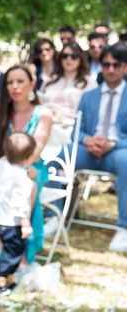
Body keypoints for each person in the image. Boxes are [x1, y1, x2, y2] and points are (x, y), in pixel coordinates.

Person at [0, 64, 53, 265]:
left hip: (31, 165)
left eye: (20, 81)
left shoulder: (43, 114)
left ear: (32, 84)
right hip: (1, 166)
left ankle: (19, 246)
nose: (15, 86)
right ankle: (4, 236)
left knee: (29, 182)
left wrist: (15, 169)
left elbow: (35, 151)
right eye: (10, 82)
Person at [75, 43, 127, 252]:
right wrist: (87, 140)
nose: (111, 69)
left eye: (116, 64)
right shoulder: (88, 96)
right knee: (59, 154)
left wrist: (113, 143)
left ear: (125, 67)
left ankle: (124, 227)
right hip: (89, 150)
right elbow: (75, 131)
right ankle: (55, 215)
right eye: (106, 64)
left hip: (119, 151)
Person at [0, 133, 37, 296]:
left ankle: (9, 279)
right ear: (28, 158)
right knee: (14, 253)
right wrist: (26, 224)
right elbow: (21, 204)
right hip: (14, 223)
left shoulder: (0, 168)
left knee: (11, 250)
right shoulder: (23, 179)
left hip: (0, 220)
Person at [40, 42, 96, 133]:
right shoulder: (50, 82)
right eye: (65, 56)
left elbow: (92, 113)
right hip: (48, 128)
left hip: (76, 131)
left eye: (73, 56)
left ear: (80, 59)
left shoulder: (90, 83)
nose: (68, 59)